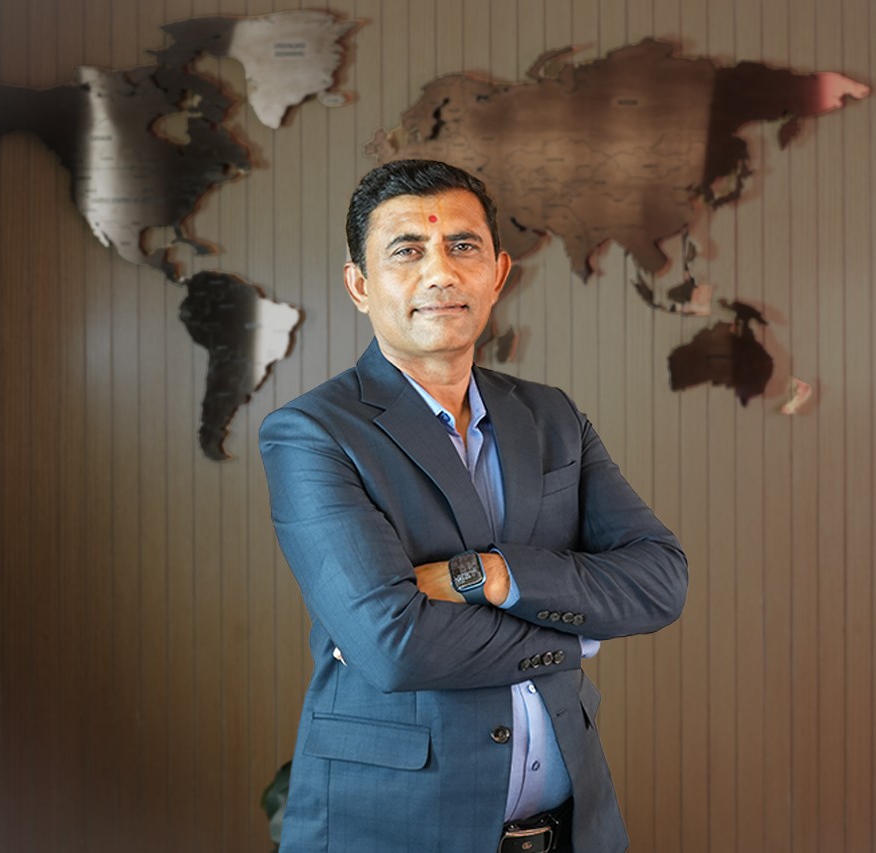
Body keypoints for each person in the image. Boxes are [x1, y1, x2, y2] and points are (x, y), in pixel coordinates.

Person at [259, 159, 688, 853]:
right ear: (360, 285)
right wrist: (574, 634)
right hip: (391, 830)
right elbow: (393, 646)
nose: (441, 272)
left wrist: (490, 575)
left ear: (499, 272)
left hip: (572, 829)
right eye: (407, 250)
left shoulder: (551, 418)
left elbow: (661, 579)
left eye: (464, 246)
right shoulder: (314, 433)